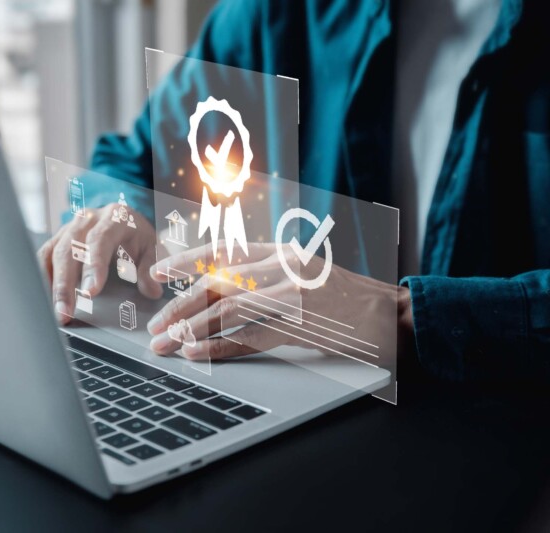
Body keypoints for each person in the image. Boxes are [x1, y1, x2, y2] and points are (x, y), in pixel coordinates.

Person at [38, 0, 550, 383]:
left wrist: (400, 315)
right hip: (315, 399)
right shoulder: (278, 11)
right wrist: (113, 210)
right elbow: (135, 157)